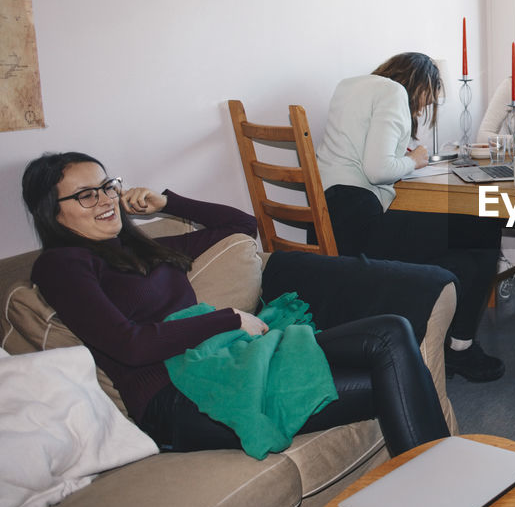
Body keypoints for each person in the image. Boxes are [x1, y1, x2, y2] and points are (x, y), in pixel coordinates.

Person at [22, 152, 450, 457]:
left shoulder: (143, 247)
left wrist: (167, 203)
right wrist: (226, 319)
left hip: (231, 361)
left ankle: (440, 490)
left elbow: (241, 227)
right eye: (86, 195)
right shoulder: (62, 265)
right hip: (179, 396)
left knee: (390, 333)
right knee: (394, 380)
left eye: (107, 186)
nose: (105, 200)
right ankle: (440, 497)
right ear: (51, 212)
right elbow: (129, 344)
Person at [315, 52, 505, 383]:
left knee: (464, 259)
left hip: (330, 216)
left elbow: (359, 155)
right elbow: (377, 171)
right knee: (484, 225)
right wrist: (416, 160)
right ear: (417, 84)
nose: (420, 107)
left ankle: (451, 343)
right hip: (360, 224)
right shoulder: (394, 93)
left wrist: (397, 155)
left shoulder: (350, 86)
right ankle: (460, 349)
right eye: (425, 99)